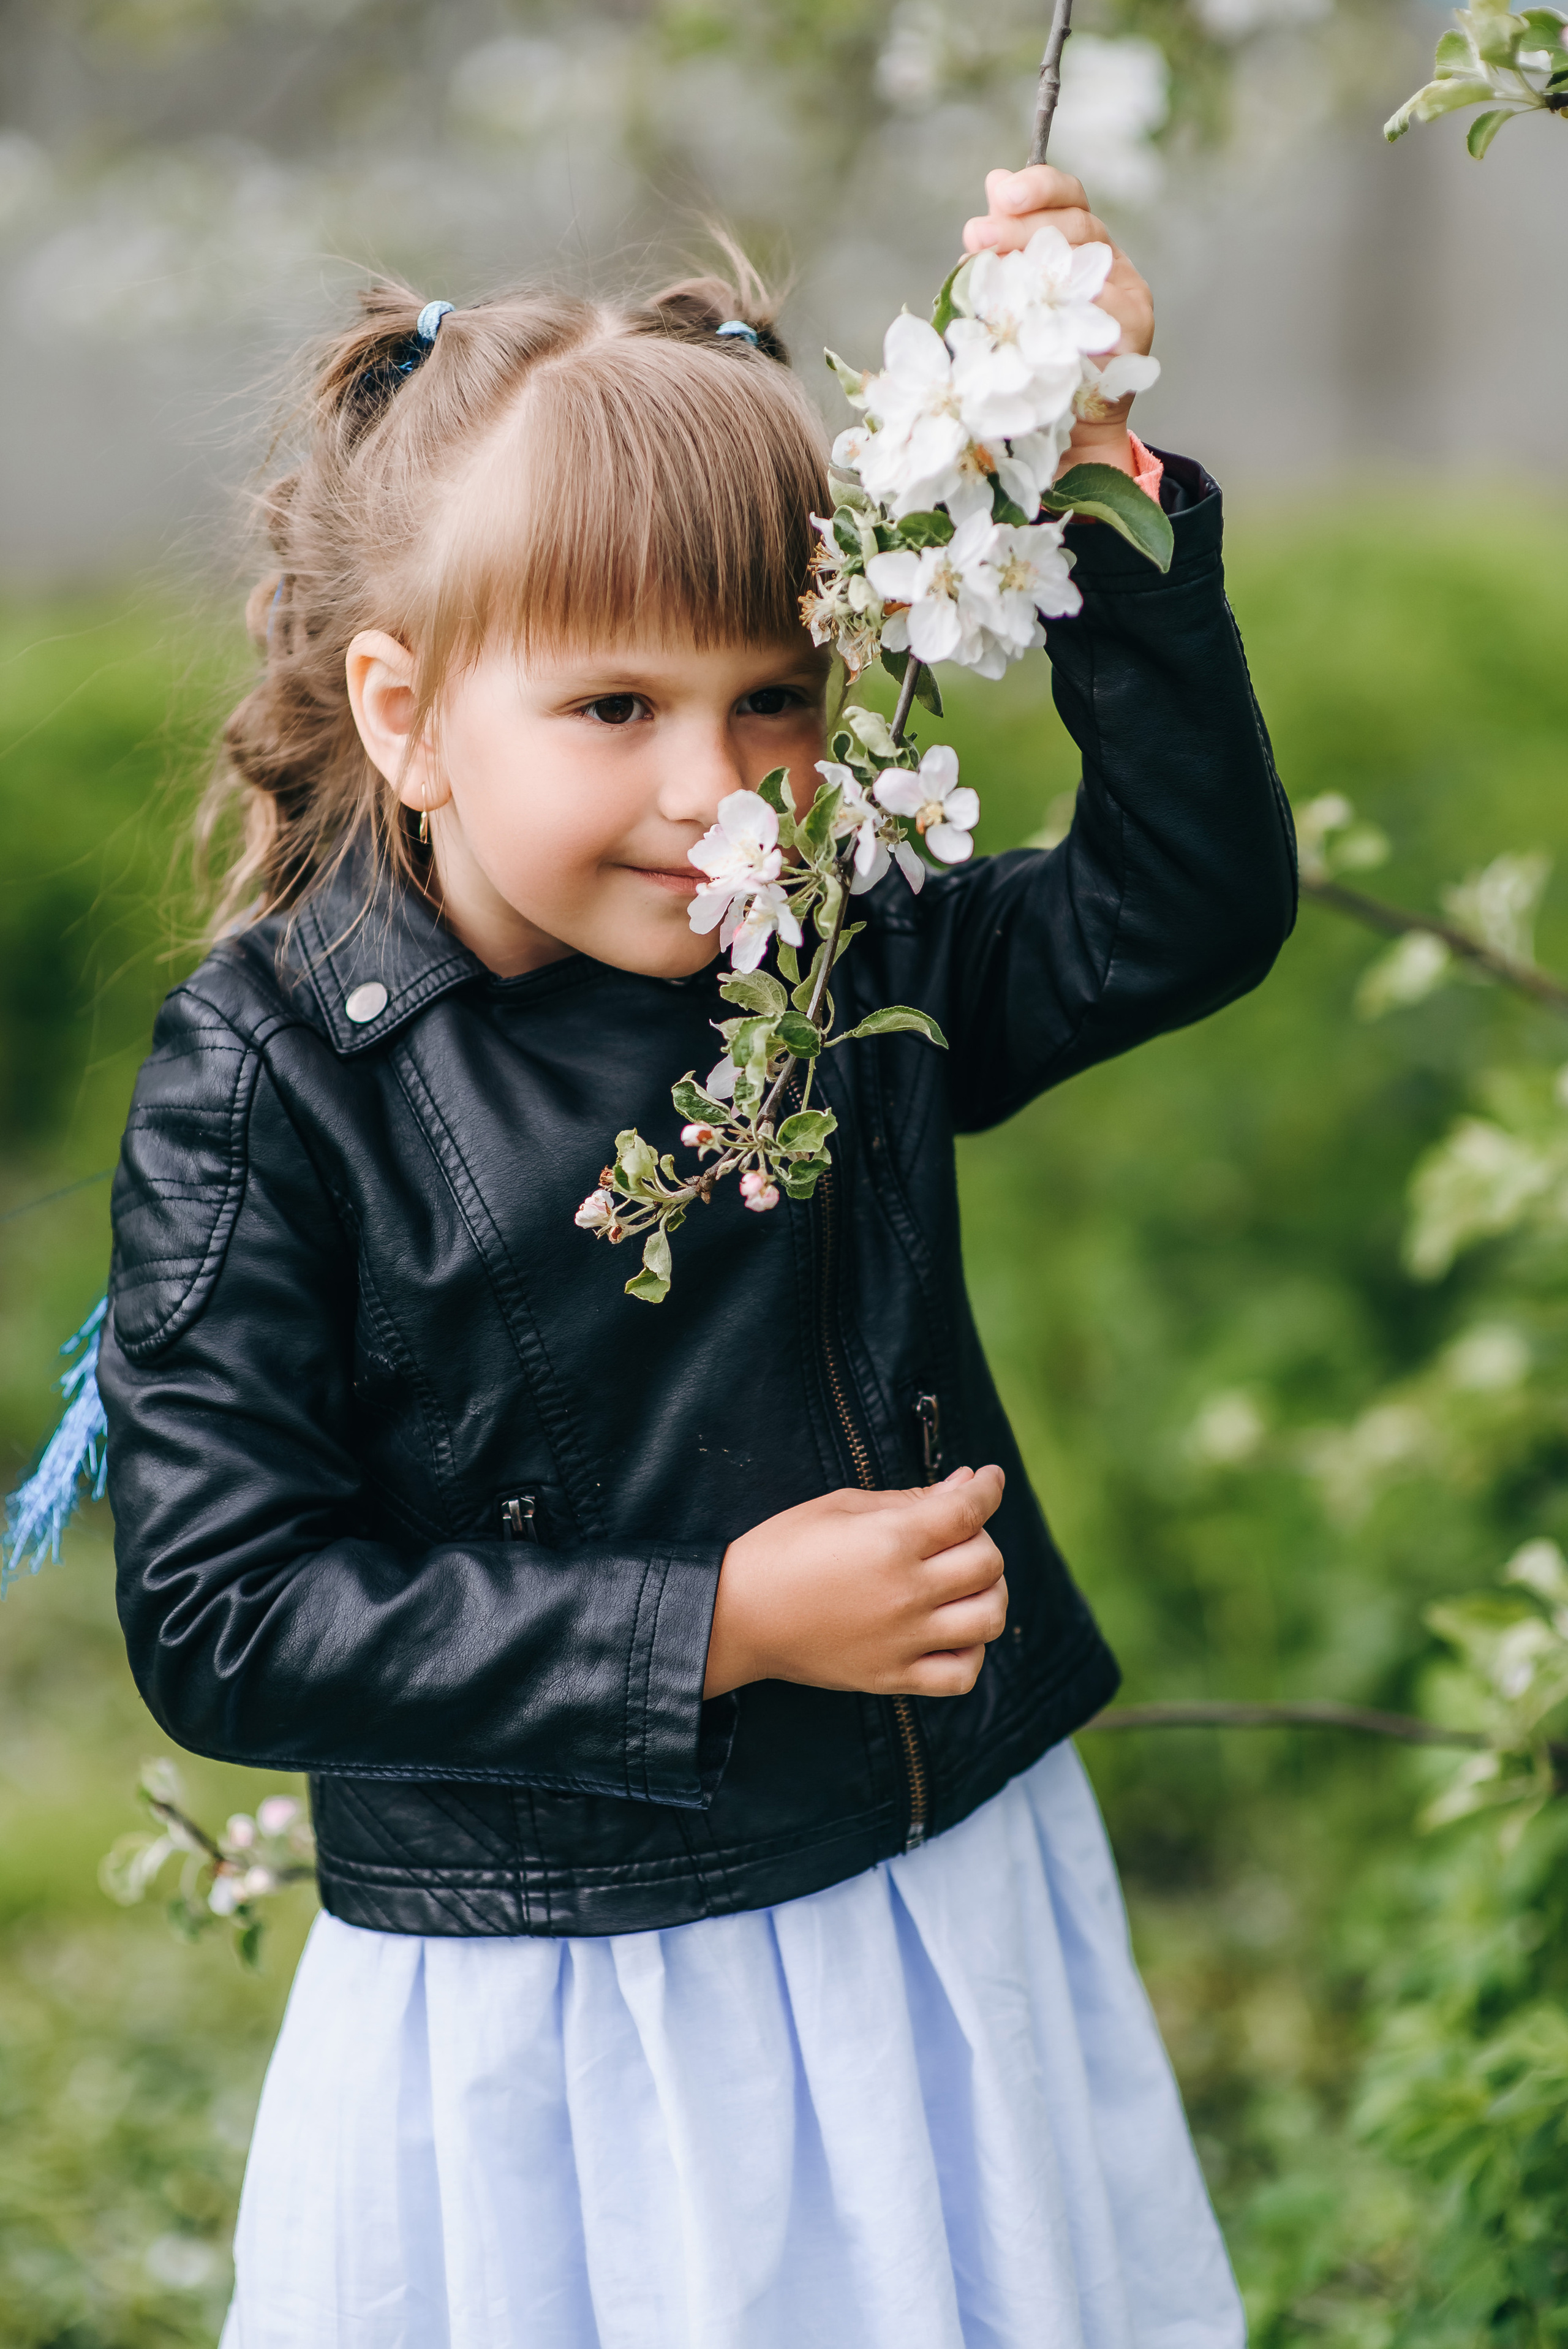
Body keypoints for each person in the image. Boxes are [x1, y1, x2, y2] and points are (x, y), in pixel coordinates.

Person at [99, 163, 1295, 2348]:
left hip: (923, 1905)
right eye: (613, 708)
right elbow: (225, 1612)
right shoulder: (274, 1079)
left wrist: (1097, 473)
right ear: (404, 712)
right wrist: (716, 1625)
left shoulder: (834, 944)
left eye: (775, 698)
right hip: (558, 1998)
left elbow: (1179, 912)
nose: (715, 788)